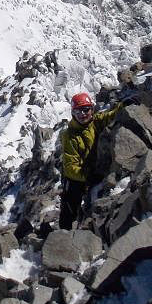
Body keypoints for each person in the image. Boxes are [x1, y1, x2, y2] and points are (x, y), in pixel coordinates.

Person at [59, 91, 134, 230]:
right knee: (69, 207)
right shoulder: (69, 136)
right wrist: (86, 176)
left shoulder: (96, 122)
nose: (82, 114)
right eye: (78, 111)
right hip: (75, 177)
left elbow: (110, 116)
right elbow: (70, 167)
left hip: (92, 170)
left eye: (86, 110)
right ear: (72, 113)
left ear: (92, 110)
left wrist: (123, 106)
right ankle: (63, 237)